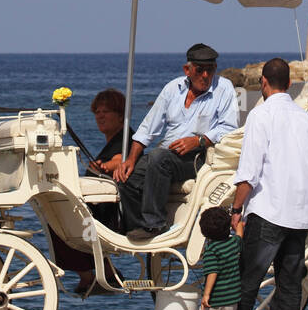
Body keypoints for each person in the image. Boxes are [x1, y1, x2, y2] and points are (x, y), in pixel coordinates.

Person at [231, 57, 308, 310]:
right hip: (299, 215)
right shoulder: (306, 119)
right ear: (291, 84)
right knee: (289, 287)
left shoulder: (261, 115)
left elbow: (249, 171)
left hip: (268, 211)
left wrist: (235, 208)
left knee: (246, 283)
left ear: (263, 84)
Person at [112, 43, 239, 239]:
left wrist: (199, 140)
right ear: (187, 70)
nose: (206, 75)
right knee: (125, 177)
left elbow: (229, 127)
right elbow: (147, 128)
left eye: (210, 69)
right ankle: (134, 226)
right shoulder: (172, 89)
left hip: (199, 157)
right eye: (200, 70)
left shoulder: (224, 88)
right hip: (167, 155)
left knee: (158, 157)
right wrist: (130, 160)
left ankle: (154, 224)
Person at [48, 89, 125, 295]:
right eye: (97, 112)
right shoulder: (113, 141)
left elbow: (121, 160)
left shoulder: (126, 140)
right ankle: (105, 270)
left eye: (106, 111)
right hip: (103, 207)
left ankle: (88, 274)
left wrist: (106, 165)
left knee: (59, 219)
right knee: (58, 214)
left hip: (115, 213)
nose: (100, 116)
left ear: (120, 115)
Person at [184, 207, 246, 310]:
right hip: (233, 297)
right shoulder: (234, 244)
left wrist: (206, 295)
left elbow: (212, 273)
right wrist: (238, 224)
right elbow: (240, 235)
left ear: (205, 232)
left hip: (217, 299)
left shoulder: (212, 250)